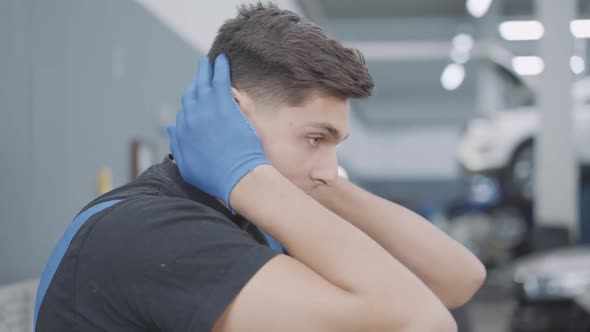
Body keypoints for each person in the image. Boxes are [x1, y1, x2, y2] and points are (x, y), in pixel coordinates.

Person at [35, 2, 485, 331]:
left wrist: (323, 186)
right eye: (314, 139)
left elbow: (458, 280)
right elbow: (419, 322)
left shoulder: (241, 217)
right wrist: (252, 175)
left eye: (334, 145)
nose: (329, 167)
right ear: (235, 115)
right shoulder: (153, 230)